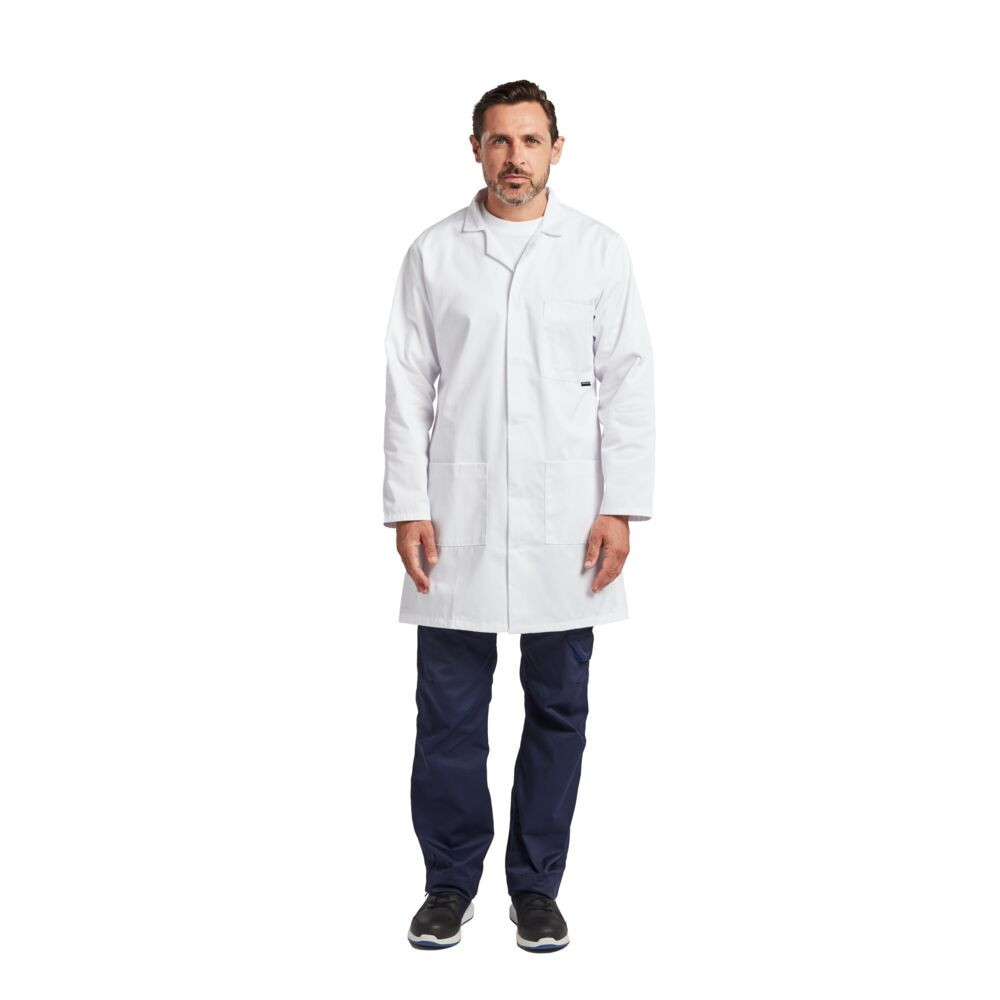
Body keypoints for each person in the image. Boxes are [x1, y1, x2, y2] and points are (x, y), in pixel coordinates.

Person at [382, 80, 655, 952]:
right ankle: (449, 884)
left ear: (556, 149)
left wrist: (621, 507)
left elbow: (628, 383)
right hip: (454, 519)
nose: (515, 158)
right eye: (499, 141)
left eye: (530, 141)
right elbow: (406, 386)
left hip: (567, 521)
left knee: (559, 710)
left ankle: (536, 889)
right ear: (476, 149)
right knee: (448, 715)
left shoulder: (598, 252)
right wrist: (407, 506)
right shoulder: (434, 253)